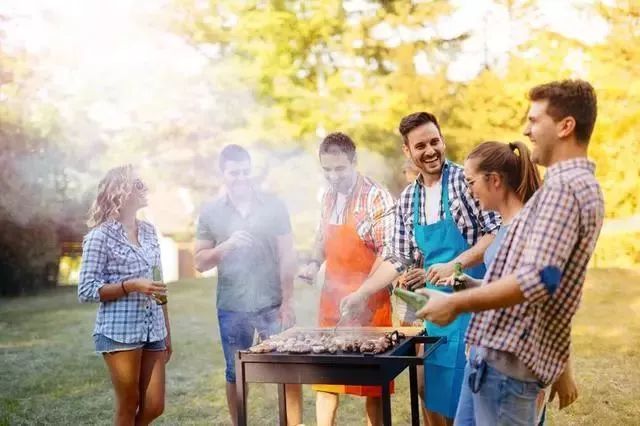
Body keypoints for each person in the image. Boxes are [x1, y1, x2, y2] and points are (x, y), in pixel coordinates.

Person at [416, 79, 603, 425]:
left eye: (534, 120)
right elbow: (519, 278)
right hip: (489, 365)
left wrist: (454, 304)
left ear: (565, 126)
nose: (526, 130)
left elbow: (540, 282)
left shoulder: (567, 189)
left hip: (508, 372)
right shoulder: (557, 189)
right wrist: (462, 288)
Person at [341, 112, 501, 426]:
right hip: (436, 311)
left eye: (434, 142)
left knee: (475, 395)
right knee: (430, 389)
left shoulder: (464, 181)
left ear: (442, 140)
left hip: (475, 301)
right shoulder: (408, 199)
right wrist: (362, 293)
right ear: (407, 151)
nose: (430, 151)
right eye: (420, 146)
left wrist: (457, 263)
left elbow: (495, 233)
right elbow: (397, 257)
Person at [194, 144, 302, 426]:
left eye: (245, 172)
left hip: (273, 303)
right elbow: (200, 262)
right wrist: (226, 247)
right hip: (232, 306)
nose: (241, 178)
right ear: (223, 174)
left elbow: (287, 255)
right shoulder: (211, 212)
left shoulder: (274, 206)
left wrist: (288, 301)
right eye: (234, 173)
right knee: (235, 373)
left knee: (288, 369)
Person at [298, 132, 395, 426]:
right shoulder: (326, 194)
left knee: (374, 388)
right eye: (326, 169)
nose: (333, 176)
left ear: (354, 162)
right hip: (332, 301)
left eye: (339, 168)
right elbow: (321, 237)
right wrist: (314, 264)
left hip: (371, 303)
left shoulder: (376, 197)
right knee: (326, 381)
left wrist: (362, 294)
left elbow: (389, 254)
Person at [78, 165, 171, 426]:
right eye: (138, 184)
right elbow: (85, 290)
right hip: (119, 332)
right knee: (129, 405)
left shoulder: (150, 231)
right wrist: (130, 285)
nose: (145, 188)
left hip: (154, 330)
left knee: (154, 405)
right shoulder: (99, 237)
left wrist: (167, 333)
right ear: (122, 192)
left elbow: (159, 284)